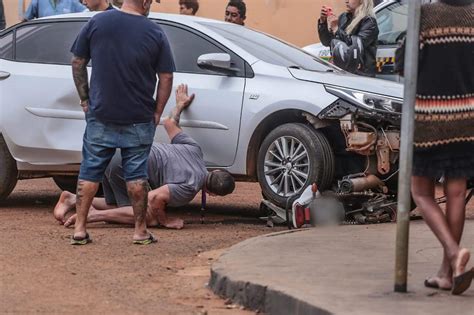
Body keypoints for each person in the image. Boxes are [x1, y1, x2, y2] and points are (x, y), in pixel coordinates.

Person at [54, 84, 236, 230]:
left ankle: (72, 199)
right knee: (148, 216)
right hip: (125, 166)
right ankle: (92, 215)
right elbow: (154, 199)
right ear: (211, 193)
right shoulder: (189, 188)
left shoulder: (195, 150)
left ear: (215, 170)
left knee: (116, 204)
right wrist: (165, 221)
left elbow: (169, 122)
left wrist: (180, 104)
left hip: (115, 152)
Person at [70, 0, 174, 245]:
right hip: (139, 117)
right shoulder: (156, 32)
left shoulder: (96, 22)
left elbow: (77, 62)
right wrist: (158, 111)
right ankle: (139, 231)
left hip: (101, 113)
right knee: (136, 176)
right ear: (146, 1)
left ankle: (79, 228)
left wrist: (85, 99)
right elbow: (166, 76)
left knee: (90, 172)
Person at [397, 0, 474, 295]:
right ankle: (447, 274)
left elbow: (404, 62)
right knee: (456, 194)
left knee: (420, 192)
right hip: (467, 117)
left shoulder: (426, 15)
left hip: (431, 117)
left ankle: (454, 254)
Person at [317, 0, 379, 76]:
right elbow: (327, 42)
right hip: (341, 71)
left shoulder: (369, 22)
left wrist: (336, 29)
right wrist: (323, 22)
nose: (346, 1)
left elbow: (355, 46)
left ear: (361, 1)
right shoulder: (343, 17)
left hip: (361, 74)